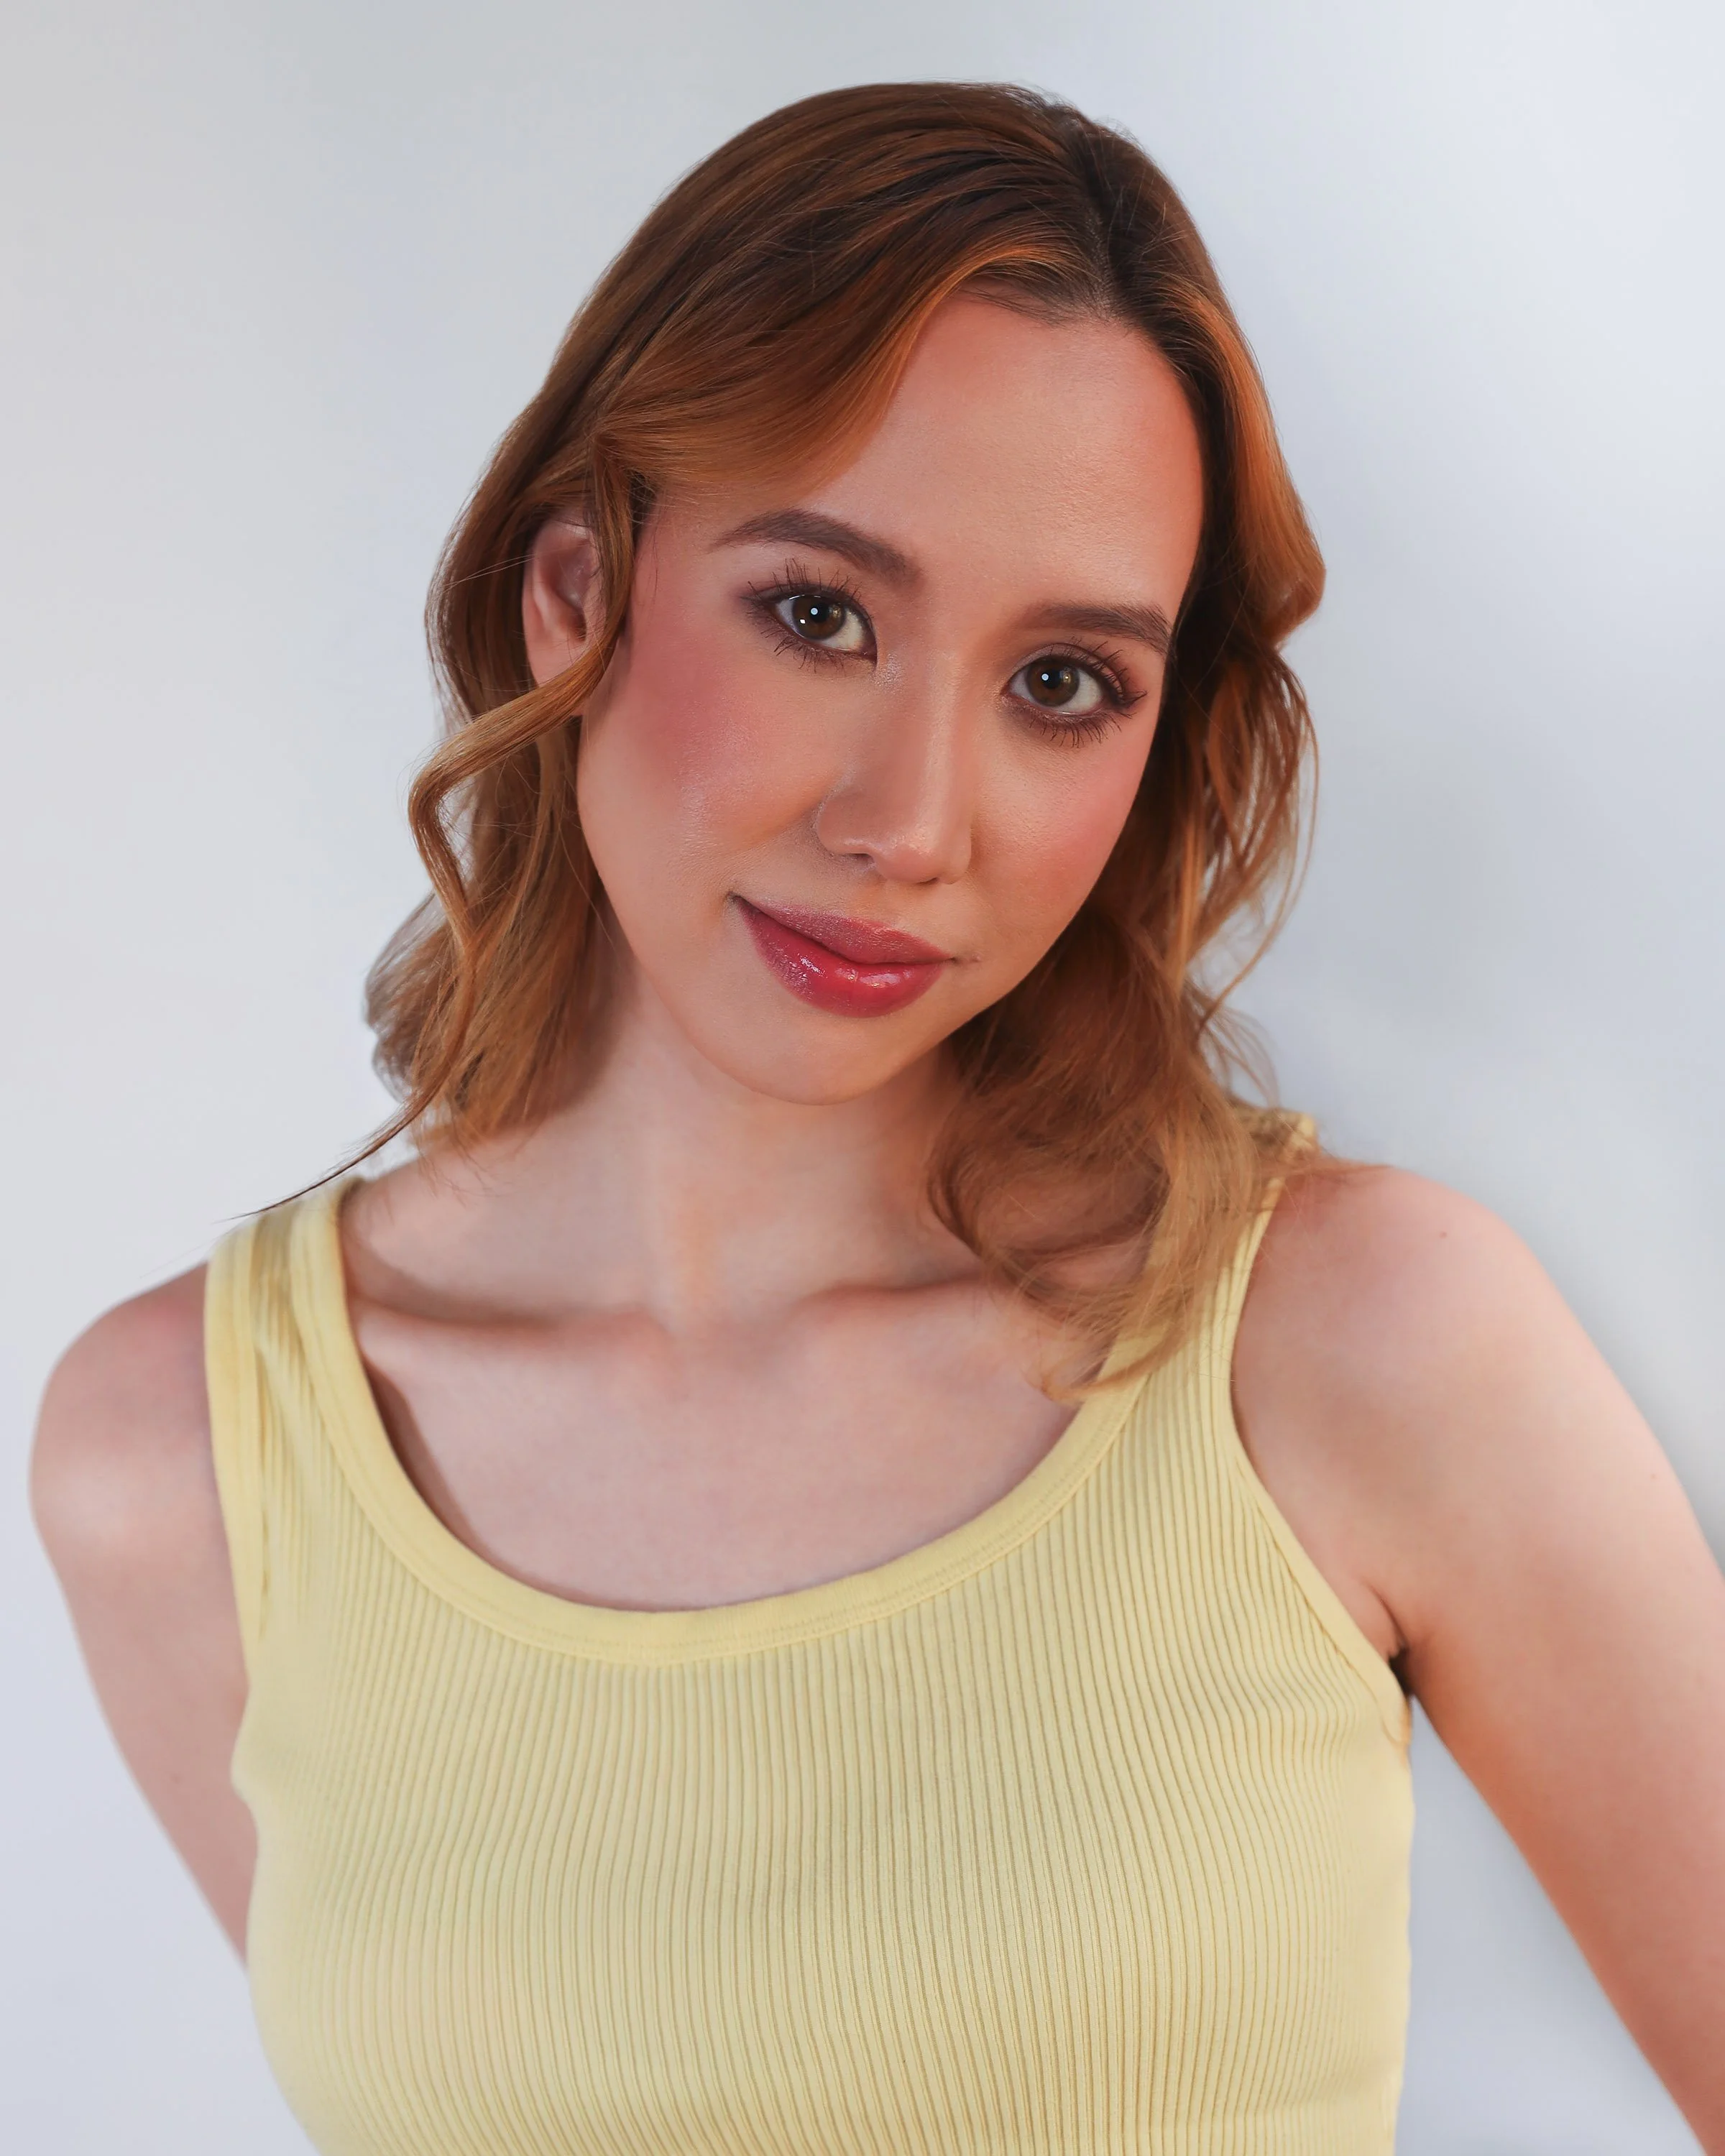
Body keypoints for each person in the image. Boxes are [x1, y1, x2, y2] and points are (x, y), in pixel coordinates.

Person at [29, 80, 1725, 2156]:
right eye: (821, 615)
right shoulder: (185, 1462)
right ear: (577, 597)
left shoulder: (1360, 1344)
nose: (911, 825)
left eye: (1063, 684)